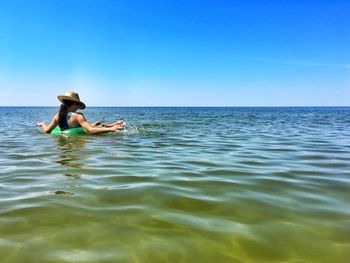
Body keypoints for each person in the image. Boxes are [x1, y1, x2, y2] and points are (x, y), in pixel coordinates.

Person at [36, 91, 126, 134]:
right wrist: (111, 129)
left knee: (98, 123)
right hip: (79, 138)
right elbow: (90, 131)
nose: (78, 108)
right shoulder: (78, 116)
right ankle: (116, 125)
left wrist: (43, 124)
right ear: (75, 104)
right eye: (78, 105)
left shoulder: (57, 116)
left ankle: (114, 124)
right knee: (100, 125)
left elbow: (47, 131)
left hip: (66, 143)